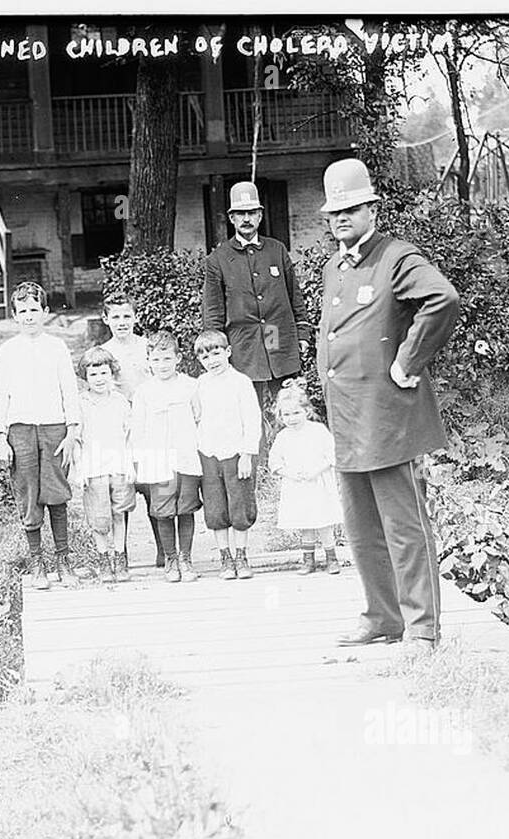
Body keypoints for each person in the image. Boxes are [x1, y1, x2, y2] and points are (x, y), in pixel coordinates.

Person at [315, 158, 460, 652]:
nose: (341, 218)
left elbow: (443, 299)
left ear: (372, 209)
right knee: (361, 527)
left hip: (387, 415)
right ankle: (383, 616)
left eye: (351, 209)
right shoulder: (336, 265)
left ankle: (422, 627)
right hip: (348, 415)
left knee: (404, 526)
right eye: (334, 211)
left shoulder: (397, 258)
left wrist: (408, 362)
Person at [0, 281, 81, 591]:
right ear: (15, 315)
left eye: (34, 310)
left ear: (45, 312)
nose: (29, 316)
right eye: (23, 311)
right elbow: (0, 393)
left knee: (56, 493)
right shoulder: (8, 350)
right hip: (20, 429)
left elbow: (69, 389)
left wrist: (72, 429)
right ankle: (36, 562)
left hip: (54, 427)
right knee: (29, 493)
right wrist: (2, 436)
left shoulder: (56, 347)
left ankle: (63, 560)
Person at [201, 179, 313, 421]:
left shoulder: (276, 250)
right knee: (249, 414)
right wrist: (217, 351)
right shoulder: (218, 260)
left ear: (260, 216)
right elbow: (213, 312)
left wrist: (302, 334)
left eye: (252, 212)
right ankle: (256, 459)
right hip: (243, 346)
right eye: (240, 214)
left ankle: (289, 456)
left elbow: (295, 297)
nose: (246, 219)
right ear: (231, 218)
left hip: (276, 337)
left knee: (289, 406)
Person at [129, 332, 202, 583]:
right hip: (157, 461)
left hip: (186, 458)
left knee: (185, 509)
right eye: (156, 359)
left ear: (178, 358)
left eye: (167, 358)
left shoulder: (191, 386)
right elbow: (137, 430)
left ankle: (186, 558)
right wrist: (138, 461)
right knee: (163, 511)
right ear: (148, 360)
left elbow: (199, 419)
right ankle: (170, 558)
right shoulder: (144, 392)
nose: (162, 365)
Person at [192, 329, 261, 580]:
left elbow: (252, 420)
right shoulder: (200, 384)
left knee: (239, 505)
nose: (212, 360)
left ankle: (241, 555)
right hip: (208, 454)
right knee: (216, 507)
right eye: (205, 357)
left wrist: (247, 454)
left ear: (228, 352)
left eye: (216, 353)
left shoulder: (241, 382)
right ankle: (225, 557)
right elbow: (195, 417)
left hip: (235, 454)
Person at [100, 292, 162, 568]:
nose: (122, 322)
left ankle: (165, 550)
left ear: (135, 317)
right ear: (106, 319)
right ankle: (120, 553)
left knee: (153, 489)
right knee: (120, 490)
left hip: (148, 426)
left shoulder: (147, 347)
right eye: (115, 317)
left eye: (126, 316)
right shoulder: (104, 352)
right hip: (118, 429)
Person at [266, 380, 344, 575]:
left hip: (318, 483)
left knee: (323, 521)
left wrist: (316, 470)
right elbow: (274, 462)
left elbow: (332, 455)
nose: (291, 419)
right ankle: (308, 560)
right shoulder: (283, 437)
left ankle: (331, 558)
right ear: (280, 415)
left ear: (307, 411)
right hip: (297, 486)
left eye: (296, 413)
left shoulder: (318, 431)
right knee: (305, 523)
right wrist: (290, 473)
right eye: (286, 415)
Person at [74, 346, 135, 584]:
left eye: (104, 373)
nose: (99, 379)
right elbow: (78, 439)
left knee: (119, 513)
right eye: (93, 374)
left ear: (112, 373)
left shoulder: (120, 401)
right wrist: (80, 470)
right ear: (85, 378)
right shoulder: (82, 403)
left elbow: (129, 436)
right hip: (94, 467)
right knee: (99, 519)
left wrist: (130, 465)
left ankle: (120, 557)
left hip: (118, 465)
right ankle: (103, 559)